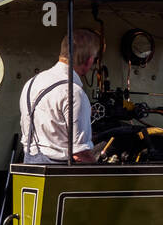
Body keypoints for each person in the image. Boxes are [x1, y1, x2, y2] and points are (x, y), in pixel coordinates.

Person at [19, 29, 103, 164]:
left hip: (30, 162)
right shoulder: (74, 93)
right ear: (89, 61)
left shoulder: (31, 83)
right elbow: (80, 153)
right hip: (59, 171)